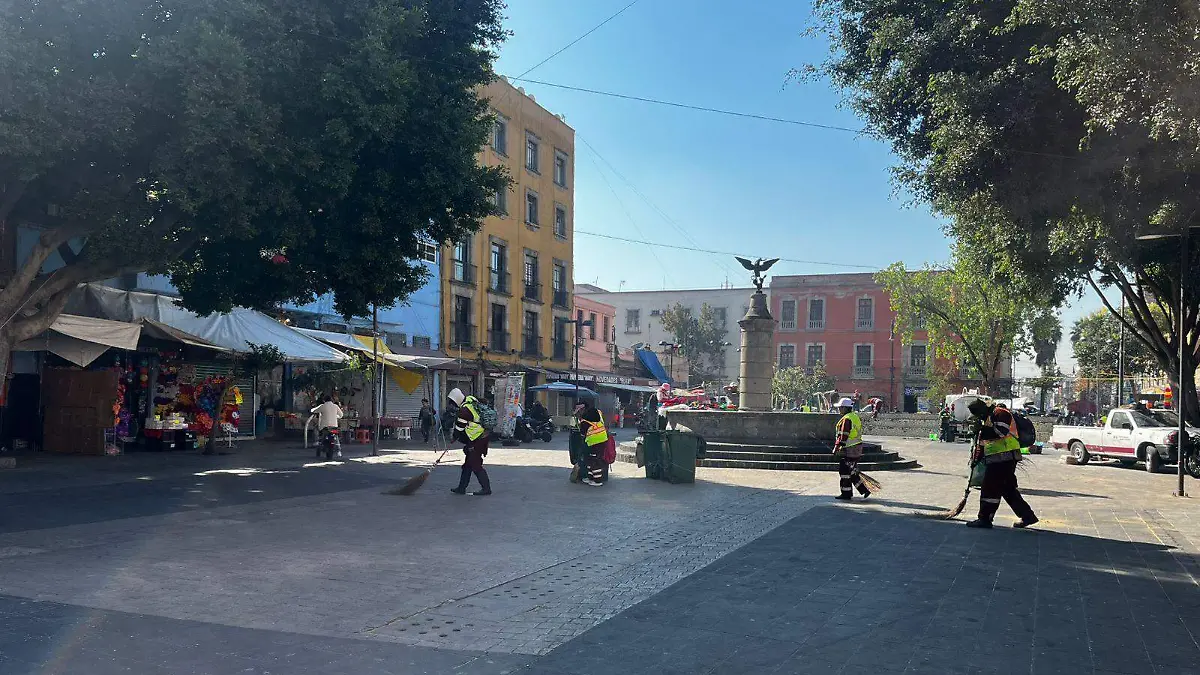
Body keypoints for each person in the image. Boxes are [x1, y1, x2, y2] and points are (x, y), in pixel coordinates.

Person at [966, 399, 1038, 529]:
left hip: (1005, 457)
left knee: (989, 488)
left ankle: (985, 518)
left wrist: (982, 429)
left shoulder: (1000, 413)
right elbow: (982, 444)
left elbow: (1000, 432)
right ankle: (1028, 516)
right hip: (997, 459)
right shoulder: (988, 418)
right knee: (1008, 489)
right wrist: (976, 460)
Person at [448, 388, 491, 496]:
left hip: (477, 439)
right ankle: (461, 488)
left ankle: (486, 489)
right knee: (468, 464)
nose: (452, 405)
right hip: (481, 436)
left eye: (452, 403)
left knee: (475, 464)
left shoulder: (464, 410)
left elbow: (459, 428)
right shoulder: (470, 399)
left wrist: (453, 438)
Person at [833, 397, 870, 500]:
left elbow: (843, 435)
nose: (839, 409)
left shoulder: (846, 419)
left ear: (845, 408)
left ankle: (846, 493)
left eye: (840, 408)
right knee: (851, 471)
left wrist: (836, 447)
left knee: (844, 471)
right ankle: (864, 490)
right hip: (857, 448)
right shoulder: (854, 416)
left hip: (849, 449)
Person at [574, 398, 609, 486]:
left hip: (595, 441)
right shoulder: (597, 412)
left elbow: (583, 433)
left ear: (582, 409)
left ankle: (597, 480)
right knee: (591, 459)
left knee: (594, 461)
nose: (578, 414)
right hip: (601, 439)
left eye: (579, 411)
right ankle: (591, 478)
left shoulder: (585, 419)